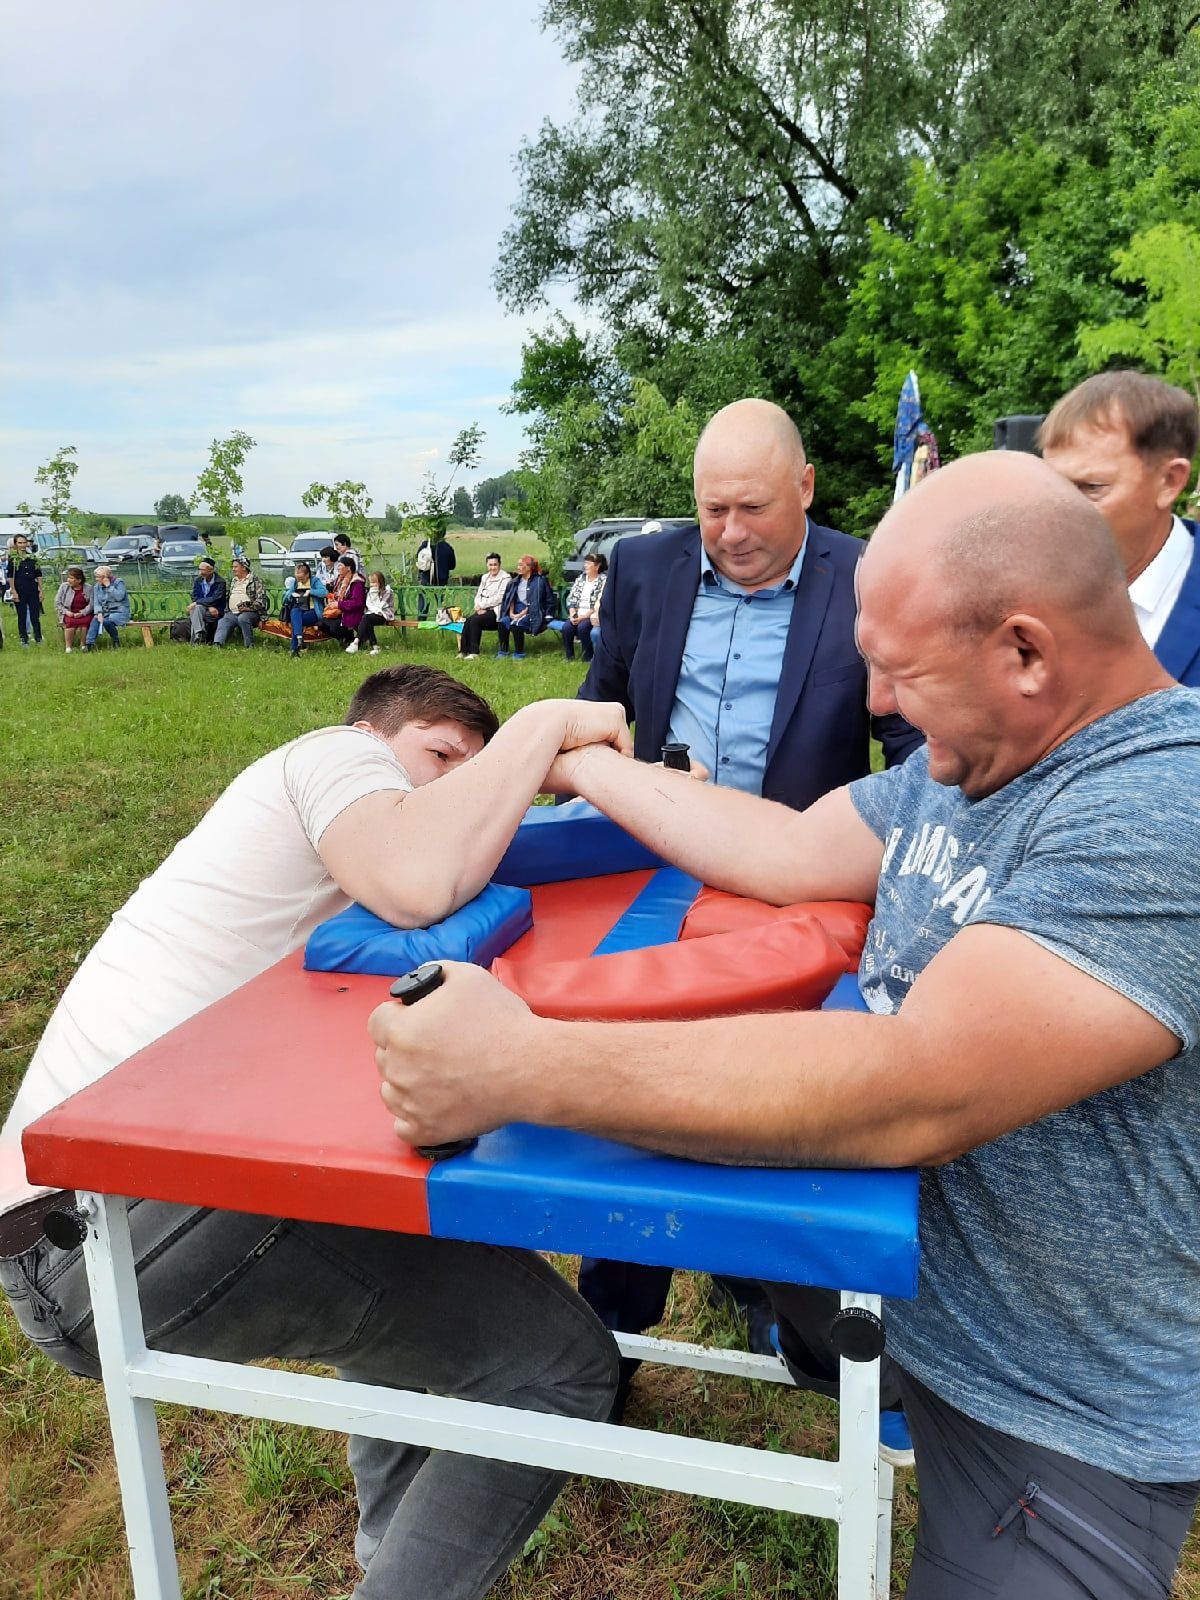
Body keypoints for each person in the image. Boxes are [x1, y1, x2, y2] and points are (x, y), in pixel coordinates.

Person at [374, 451, 1200, 1599]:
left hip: (1055, 1397)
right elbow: (786, 843)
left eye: (901, 672)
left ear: (1025, 649)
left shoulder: (1161, 807)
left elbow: (918, 1084)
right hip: (895, 1290)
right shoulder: (981, 762)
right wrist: (587, 764)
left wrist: (518, 1063)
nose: (874, 706)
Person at [0, 666, 632, 1600]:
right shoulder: (337, 758)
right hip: (103, 1230)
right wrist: (542, 728)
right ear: (383, 732)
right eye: (442, 757)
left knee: (402, 1232)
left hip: (78, 1229)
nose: (443, 788)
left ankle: (387, 1544)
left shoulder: (332, 843)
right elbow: (421, 879)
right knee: (563, 1369)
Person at [575, 398, 921, 1362]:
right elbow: (600, 705)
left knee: (771, 1103)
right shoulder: (645, 567)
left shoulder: (866, 576)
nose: (728, 535)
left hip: (794, 890)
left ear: (805, 488)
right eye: (711, 509)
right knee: (627, 1073)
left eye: (754, 510)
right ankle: (613, 1317)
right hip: (650, 875)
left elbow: (913, 747)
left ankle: (788, 1310)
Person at [1039, 370, 1200, 684]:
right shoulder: (1022, 590)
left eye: (1091, 487)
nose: (1059, 510)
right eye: (1052, 486)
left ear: (1170, 481)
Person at [495, 556, 553, 660]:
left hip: (531, 613)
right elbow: (510, 598)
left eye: (521, 565)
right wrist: (511, 613)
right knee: (503, 622)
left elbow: (543, 601)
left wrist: (521, 614)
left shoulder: (540, 581)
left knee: (516, 624)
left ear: (529, 567)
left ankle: (519, 653)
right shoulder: (514, 581)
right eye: (518, 565)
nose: (518, 567)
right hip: (515, 611)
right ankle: (503, 651)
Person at [556, 554, 606, 662]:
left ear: (597, 566)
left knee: (582, 628)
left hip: (591, 614)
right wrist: (573, 614)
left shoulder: (603, 580)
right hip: (577, 612)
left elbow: (599, 602)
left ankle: (587, 656)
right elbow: (572, 598)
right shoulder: (581, 579)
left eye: (588, 563)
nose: (585, 565)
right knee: (567, 628)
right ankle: (569, 656)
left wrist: (584, 616)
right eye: (585, 563)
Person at [458, 552, 509, 659]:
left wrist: (483, 605)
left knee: (476, 621)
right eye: (490, 565)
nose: (493, 567)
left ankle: (474, 653)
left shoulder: (505, 578)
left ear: (499, 565)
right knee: (468, 620)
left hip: (497, 611)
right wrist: (477, 605)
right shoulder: (485, 577)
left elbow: (499, 598)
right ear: (487, 565)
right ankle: (463, 651)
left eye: (495, 565)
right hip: (482, 609)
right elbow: (478, 594)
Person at [213, 556, 269, 648]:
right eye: (232, 567)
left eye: (235, 567)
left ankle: (249, 645)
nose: (233, 569)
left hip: (251, 612)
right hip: (233, 612)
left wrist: (248, 608)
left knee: (243, 618)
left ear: (244, 567)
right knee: (224, 620)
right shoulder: (233, 581)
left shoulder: (255, 581)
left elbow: (261, 601)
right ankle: (217, 644)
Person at [320, 556, 367, 650]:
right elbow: (337, 594)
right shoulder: (340, 579)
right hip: (338, 611)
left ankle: (350, 640)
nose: (338, 568)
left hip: (350, 613)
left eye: (340, 565)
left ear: (348, 568)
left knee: (334, 627)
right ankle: (345, 639)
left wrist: (339, 604)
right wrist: (332, 597)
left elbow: (357, 602)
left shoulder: (356, 582)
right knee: (320, 624)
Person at [284, 560, 327, 657]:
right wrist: (291, 594)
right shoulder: (296, 582)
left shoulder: (315, 581)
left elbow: (324, 592)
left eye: (302, 579)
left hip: (313, 612)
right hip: (299, 611)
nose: (300, 581)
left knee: (296, 620)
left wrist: (310, 592)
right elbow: (286, 596)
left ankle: (294, 648)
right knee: (295, 612)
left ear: (307, 575)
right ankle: (299, 639)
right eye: (298, 578)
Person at [8, 534, 44, 646]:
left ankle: (38, 638)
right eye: (20, 543)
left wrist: (41, 590)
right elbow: (10, 577)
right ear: (15, 544)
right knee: (22, 615)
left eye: (24, 542)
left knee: (35, 616)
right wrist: (14, 591)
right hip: (20, 590)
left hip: (32, 589)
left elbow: (39, 575)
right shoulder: (13, 559)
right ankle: (24, 638)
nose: (22, 545)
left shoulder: (32, 558)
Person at [350, 571, 396, 656]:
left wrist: (375, 596)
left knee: (366, 619)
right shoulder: (371, 591)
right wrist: (373, 593)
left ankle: (356, 641)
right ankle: (374, 647)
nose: (372, 585)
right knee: (367, 621)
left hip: (384, 614)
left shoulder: (387, 592)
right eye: (371, 582)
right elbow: (369, 604)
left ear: (380, 582)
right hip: (373, 614)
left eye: (374, 582)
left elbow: (381, 606)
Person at [85, 565, 130, 650]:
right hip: (106, 612)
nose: (96, 579)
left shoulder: (118, 583)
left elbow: (119, 597)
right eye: (96, 577)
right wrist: (99, 613)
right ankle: (89, 644)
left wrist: (109, 586)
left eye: (98, 577)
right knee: (96, 619)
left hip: (120, 612)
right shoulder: (97, 586)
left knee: (107, 621)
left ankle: (116, 641)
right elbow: (97, 602)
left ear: (106, 577)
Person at [416, 530, 456, 617]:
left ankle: (420, 622)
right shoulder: (447, 547)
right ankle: (442, 620)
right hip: (441, 581)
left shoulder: (425, 545)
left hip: (426, 579)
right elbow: (452, 565)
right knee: (441, 604)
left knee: (423, 603)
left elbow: (418, 559)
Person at [188, 558, 228, 644]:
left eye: (203, 570)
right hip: (207, 607)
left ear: (211, 570)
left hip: (217, 608)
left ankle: (196, 639)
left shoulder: (220, 582)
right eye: (199, 569)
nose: (200, 572)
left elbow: (216, 598)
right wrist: (208, 606)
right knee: (195, 609)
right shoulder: (198, 580)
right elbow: (195, 596)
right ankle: (199, 633)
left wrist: (198, 602)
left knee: (195, 610)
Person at [54, 567, 93, 653]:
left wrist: (83, 613)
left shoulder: (88, 588)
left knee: (85, 622)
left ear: (79, 580)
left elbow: (91, 604)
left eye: (71, 578)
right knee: (70, 622)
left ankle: (83, 645)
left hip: (84, 613)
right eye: (68, 577)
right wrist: (66, 612)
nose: (68, 580)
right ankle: (68, 647)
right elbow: (57, 602)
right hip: (68, 612)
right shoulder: (64, 587)